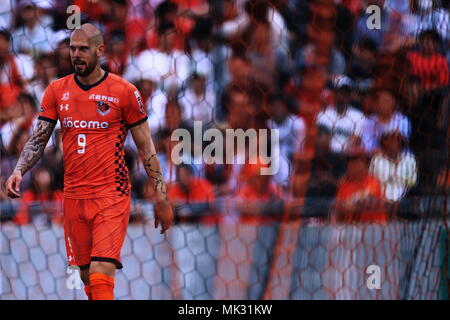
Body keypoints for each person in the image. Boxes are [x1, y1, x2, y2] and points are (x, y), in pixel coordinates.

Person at [5, 23, 173, 300]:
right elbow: (39, 138)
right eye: (73, 49)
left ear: (100, 50)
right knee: (86, 276)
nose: (76, 54)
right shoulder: (57, 91)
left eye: (83, 49)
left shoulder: (123, 91)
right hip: (73, 196)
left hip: (111, 194)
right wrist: (19, 170)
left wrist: (162, 196)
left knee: (100, 270)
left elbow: (146, 148)